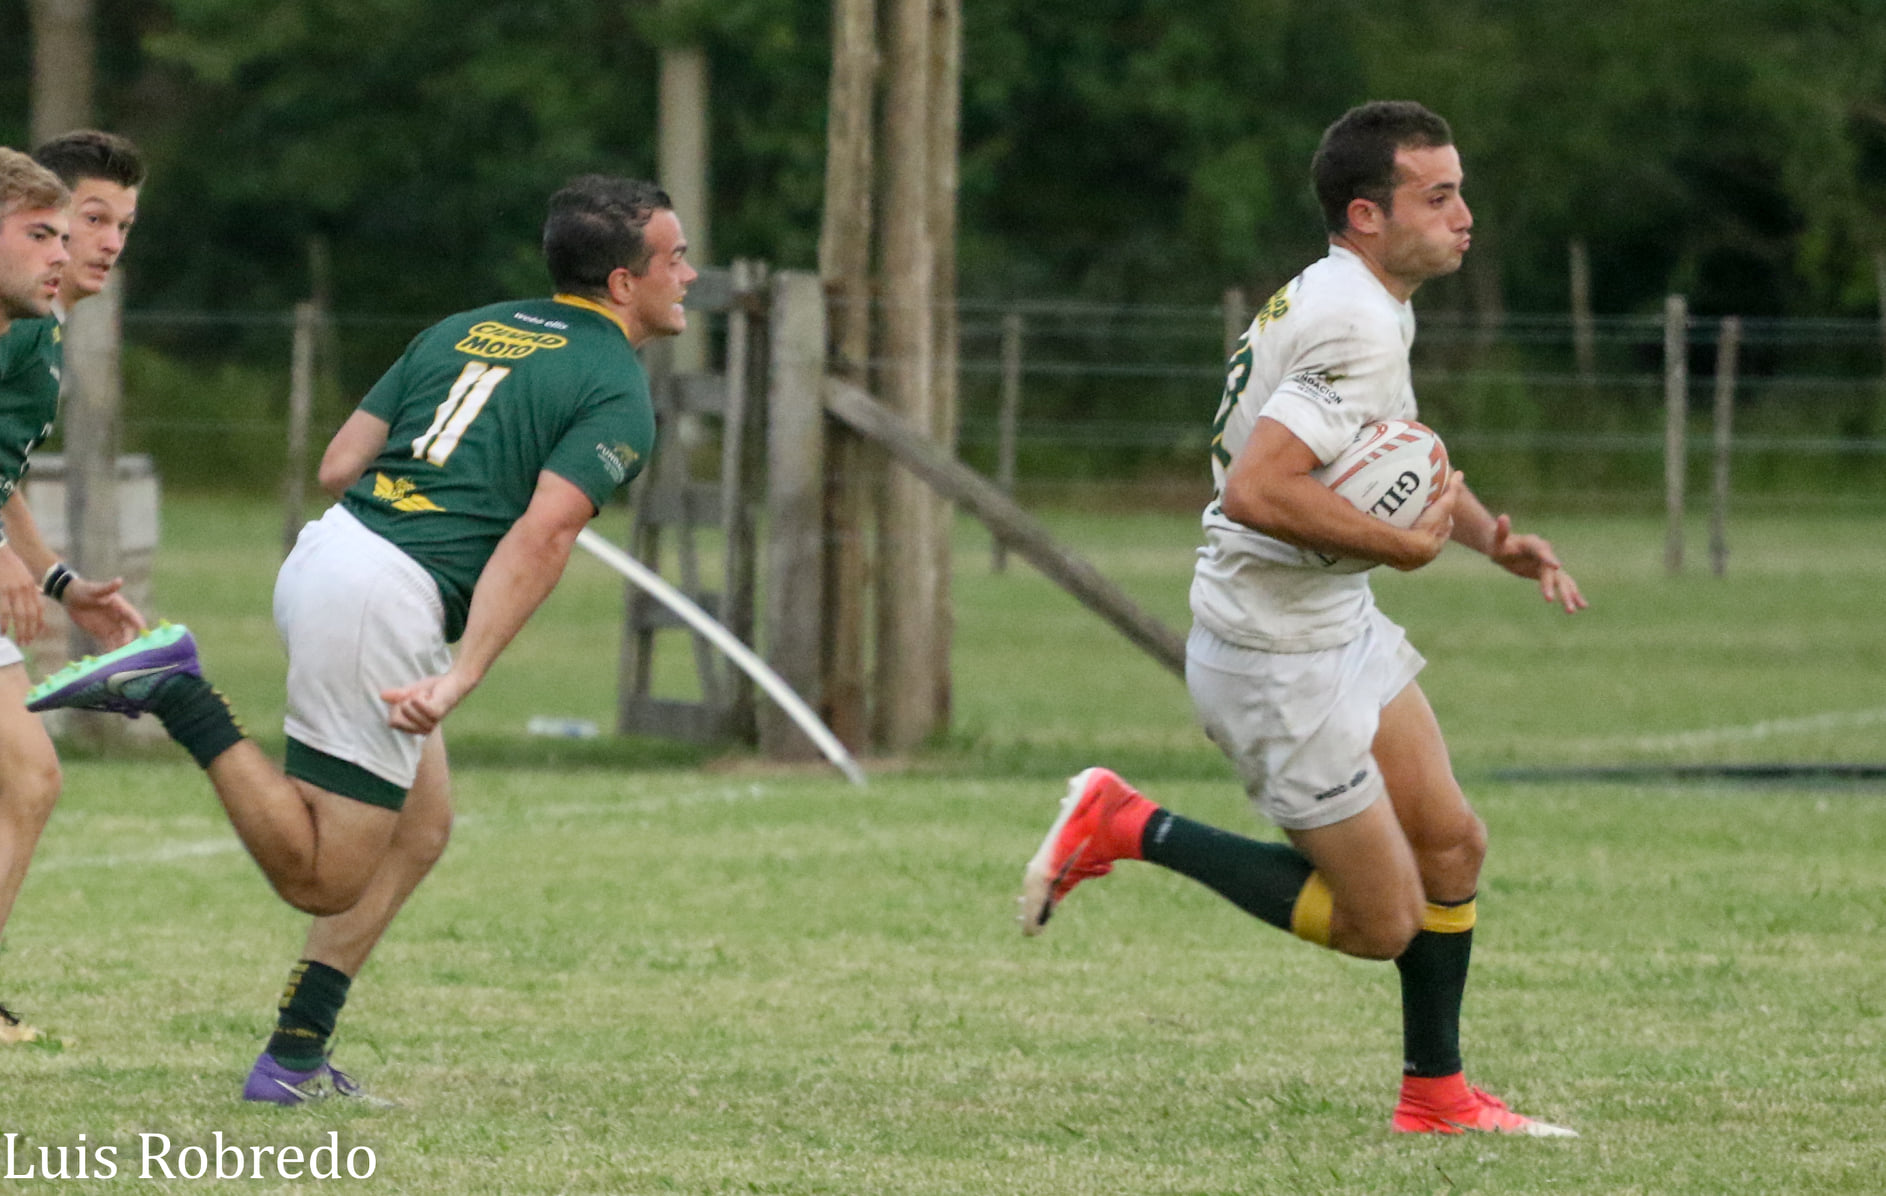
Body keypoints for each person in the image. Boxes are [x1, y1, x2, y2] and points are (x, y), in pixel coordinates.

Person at [29, 175, 694, 1103]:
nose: (687, 275)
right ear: (623, 282)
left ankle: (293, 1057)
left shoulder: (464, 327)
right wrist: (462, 672)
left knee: (420, 829)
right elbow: (543, 536)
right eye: (676, 258)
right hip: (384, 597)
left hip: (332, 552)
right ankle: (178, 691)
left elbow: (341, 464)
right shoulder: (616, 386)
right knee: (323, 880)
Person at [1018, 102, 1587, 1137]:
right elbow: (1256, 488)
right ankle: (1127, 822)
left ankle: (1437, 1098)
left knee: (1451, 845)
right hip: (1273, 654)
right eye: (1438, 197)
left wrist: (1485, 537)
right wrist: (1398, 548)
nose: (1464, 216)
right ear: (1367, 214)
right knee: (1381, 922)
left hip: (1331, 620)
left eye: (1459, 192)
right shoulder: (1354, 319)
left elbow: (1395, 448)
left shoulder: (1360, 297)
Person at [0, 134, 149, 1045]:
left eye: (119, 226)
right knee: (28, 778)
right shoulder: (22, 322)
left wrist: (53, 576)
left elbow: (1, 473)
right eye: (86, 220)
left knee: (29, 779)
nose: (101, 244)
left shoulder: (35, 321)